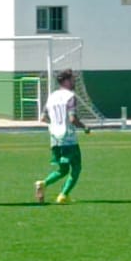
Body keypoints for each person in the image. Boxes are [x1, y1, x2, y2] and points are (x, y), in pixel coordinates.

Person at [35, 69, 90, 204]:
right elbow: (72, 119)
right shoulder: (70, 97)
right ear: (66, 80)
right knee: (76, 168)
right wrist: (84, 127)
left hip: (55, 139)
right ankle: (63, 196)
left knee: (63, 169)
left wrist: (54, 125)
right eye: (72, 79)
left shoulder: (52, 96)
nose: (74, 81)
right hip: (69, 139)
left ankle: (43, 183)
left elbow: (42, 118)